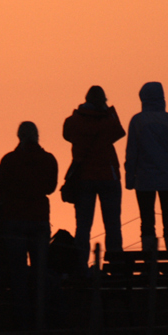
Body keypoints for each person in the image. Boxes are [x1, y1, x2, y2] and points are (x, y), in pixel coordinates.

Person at [0, 121, 58, 327]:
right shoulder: (48, 159)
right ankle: (42, 319)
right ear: (37, 135)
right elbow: (51, 187)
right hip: (39, 218)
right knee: (40, 273)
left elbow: (0, 186)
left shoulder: (9, 160)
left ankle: (22, 321)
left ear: (19, 136)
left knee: (18, 274)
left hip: (15, 219)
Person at [62, 86, 126, 271]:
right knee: (113, 225)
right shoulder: (108, 120)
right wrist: (109, 111)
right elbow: (118, 132)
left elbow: (67, 134)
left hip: (84, 178)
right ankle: (116, 265)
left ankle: (80, 265)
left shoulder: (74, 121)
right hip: (108, 176)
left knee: (83, 226)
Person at [125, 82, 168, 252]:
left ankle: (148, 260)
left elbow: (132, 153)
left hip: (144, 180)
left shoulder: (137, 121)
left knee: (147, 221)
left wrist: (130, 179)